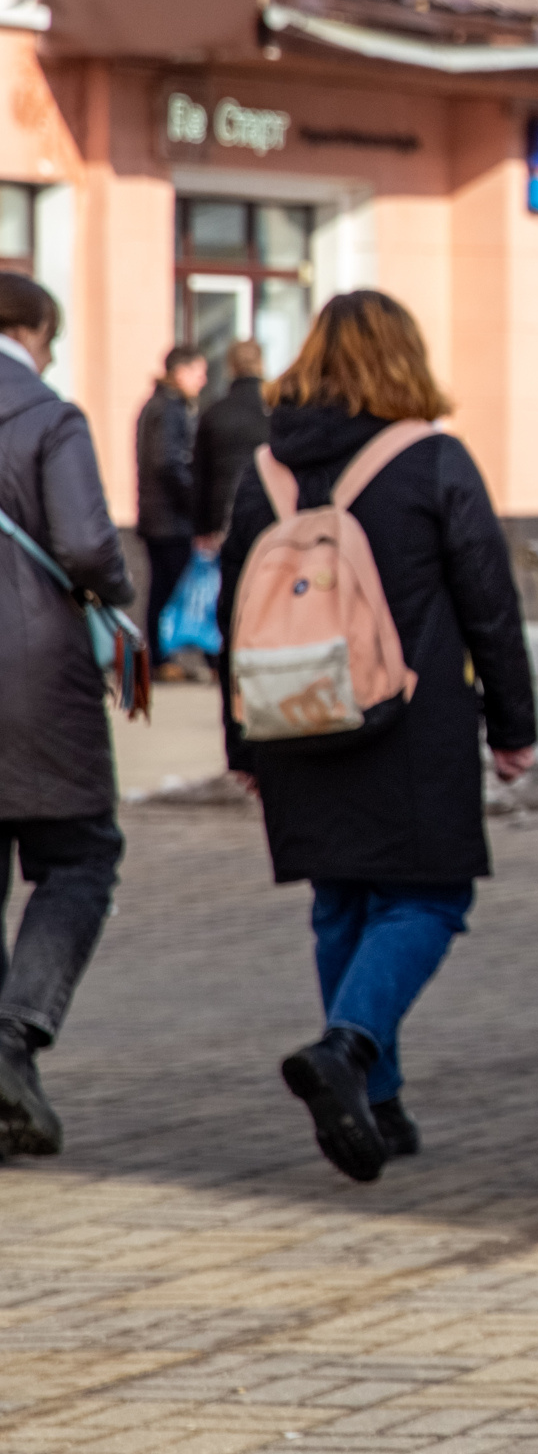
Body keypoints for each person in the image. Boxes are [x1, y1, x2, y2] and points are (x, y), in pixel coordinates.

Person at [215, 289, 536, 1183]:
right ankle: (349, 1052)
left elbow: (235, 613)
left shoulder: (266, 470)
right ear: (406, 357)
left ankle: (378, 1104)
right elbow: (489, 601)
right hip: (410, 722)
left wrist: (242, 740)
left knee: (342, 902)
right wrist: (514, 726)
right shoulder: (432, 459)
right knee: (428, 900)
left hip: (289, 714)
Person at [0, 276, 138, 1157]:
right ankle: (14, 1037)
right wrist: (119, 605)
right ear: (33, 329)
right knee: (81, 855)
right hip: (34, 676)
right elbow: (87, 543)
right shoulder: (50, 418)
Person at [134, 344, 210, 670]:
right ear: (179, 372)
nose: (203, 380)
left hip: (158, 514)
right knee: (173, 589)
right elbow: (168, 463)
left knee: (164, 588)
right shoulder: (169, 409)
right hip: (169, 517)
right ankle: (163, 659)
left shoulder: (159, 406)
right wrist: (193, 500)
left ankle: (162, 658)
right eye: (198, 372)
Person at [194, 340, 271, 544]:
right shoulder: (275, 411)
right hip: (269, 510)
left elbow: (200, 475)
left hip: (222, 514)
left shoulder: (214, 413)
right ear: (262, 364)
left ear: (231, 367)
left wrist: (202, 527)